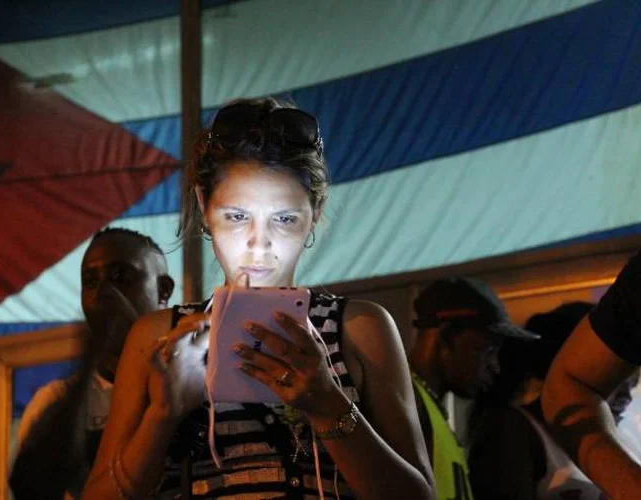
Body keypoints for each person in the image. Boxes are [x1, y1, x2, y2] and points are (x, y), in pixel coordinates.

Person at [82, 98, 435, 499]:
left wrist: (327, 404)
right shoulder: (158, 336)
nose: (258, 243)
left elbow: (420, 495)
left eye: (284, 219)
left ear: (315, 213)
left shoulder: (359, 329)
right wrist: (163, 415)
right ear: (204, 207)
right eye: (236, 216)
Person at [10, 228, 174, 499]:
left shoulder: (195, 383)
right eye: (90, 281)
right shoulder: (58, 398)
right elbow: (33, 489)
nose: (103, 292)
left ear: (163, 289)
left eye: (120, 277)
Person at [469, 302, 639, 499]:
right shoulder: (514, 430)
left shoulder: (624, 440)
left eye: (633, 383)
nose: (627, 396)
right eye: (615, 382)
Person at [408, 277, 539, 500]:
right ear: (447, 336)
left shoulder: (428, 406)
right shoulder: (407, 404)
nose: (495, 367)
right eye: (487, 350)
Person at [542, 250, 641, 499]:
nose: (628, 393)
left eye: (634, 379)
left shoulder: (627, 437)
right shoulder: (519, 431)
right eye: (621, 379)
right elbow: (572, 382)